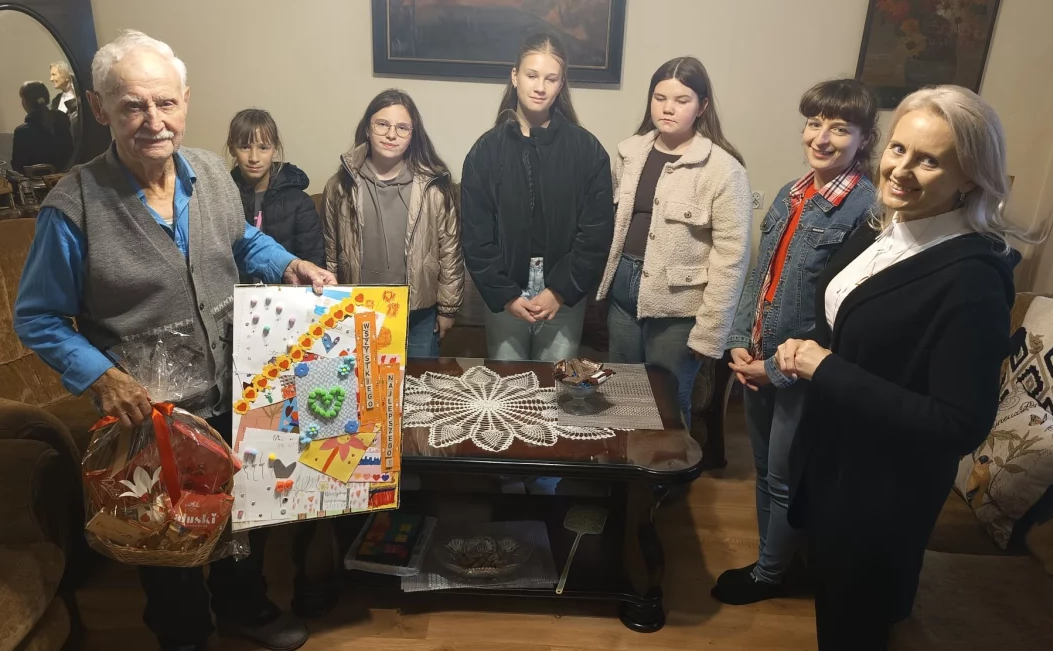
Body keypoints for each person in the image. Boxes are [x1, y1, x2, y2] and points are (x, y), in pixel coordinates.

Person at [14, 30, 336, 651]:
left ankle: (244, 608)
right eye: (132, 105)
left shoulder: (212, 173)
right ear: (99, 107)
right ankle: (183, 636)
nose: (153, 121)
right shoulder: (72, 206)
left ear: (186, 101)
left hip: (235, 385)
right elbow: (38, 317)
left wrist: (289, 263)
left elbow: (242, 241)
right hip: (150, 412)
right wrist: (102, 377)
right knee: (167, 535)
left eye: (165, 102)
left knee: (241, 512)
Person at [774, 85, 1022, 649]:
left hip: (882, 492)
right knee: (834, 604)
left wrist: (825, 368)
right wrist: (809, 351)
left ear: (969, 178)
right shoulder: (884, 228)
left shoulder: (973, 280)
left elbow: (959, 423)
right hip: (834, 463)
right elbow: (856, 326)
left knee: (855, 623)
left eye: (929, 160)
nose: (901, 170)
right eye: (898, 149)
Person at [712, 79, 880, 605]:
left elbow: (841, 316)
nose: (822, 138)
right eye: (814, 123)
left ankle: (769, 575)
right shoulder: (792, 192)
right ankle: (774, 560)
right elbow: (761, 272)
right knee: (765, 471)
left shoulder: (868, 211)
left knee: (786, 477)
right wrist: (739, 339)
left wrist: (776, 370)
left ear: (864, 139)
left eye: (840, 129)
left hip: (802, 372)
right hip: (758, 358)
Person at [595, 57, 752, 428]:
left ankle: (667, 467)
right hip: (623, 296)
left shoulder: (723, 169)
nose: (668, 108)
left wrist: (711, 331)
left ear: (702, 106)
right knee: (620, 393)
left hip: (678, 306)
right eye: (660, 97)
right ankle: (625, 462)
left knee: (667, 402)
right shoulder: (629, 153)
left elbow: (731, 257)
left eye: (682, 100)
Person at [462, 32, 613, 360]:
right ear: (515, 76)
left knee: (556, 384)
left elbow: (596, 234)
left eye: (550, 78)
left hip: (563, 292)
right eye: (532, 75)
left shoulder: (587, 151)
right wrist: (505, 294)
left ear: (561, 84)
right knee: (508, 384)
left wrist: (559, 290)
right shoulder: (485, 152)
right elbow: (476, 236)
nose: (540, 87)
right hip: (506, 291)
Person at [321, 89, 462, 357]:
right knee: (361, 379)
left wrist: (448, 309)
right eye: (382, 124)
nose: (391, 134)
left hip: (418, 311)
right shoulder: (340, 186)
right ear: (367, 129)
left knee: (419, 377)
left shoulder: (434, 188)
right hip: (358, 307)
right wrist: (330, 300)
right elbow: (330, 250)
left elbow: (450, 252)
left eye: (402, 128)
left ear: (413, 136)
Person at [226, 108, 325, 269]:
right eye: (244, 147)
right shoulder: (222, 200)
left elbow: (314, 264)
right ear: (232, 149)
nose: (254, 158)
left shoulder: (299, 202)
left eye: (263, 148)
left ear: (275, 148)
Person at [11, 81, 73, 172]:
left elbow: (18, 166)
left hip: (35, 180)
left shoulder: (21, 132)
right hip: (65, 176)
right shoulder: (63, 120)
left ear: (25, 101)